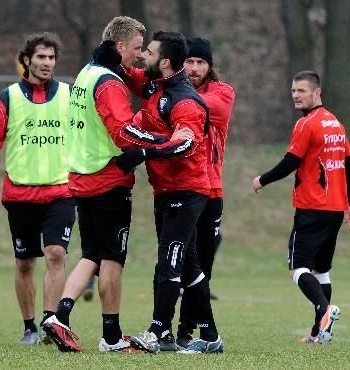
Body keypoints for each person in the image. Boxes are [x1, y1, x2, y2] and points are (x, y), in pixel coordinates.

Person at [43, 17, 194, 353]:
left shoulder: (86, 73)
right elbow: (124, 133)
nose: (139, 56)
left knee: (91, 253)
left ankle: (59, 316)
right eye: (137, 48)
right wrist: (165, 142)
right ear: (120, 46)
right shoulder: (109, 83)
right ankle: (111, 337)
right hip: (108, 179)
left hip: (82, 177)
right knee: (113, 259)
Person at [0, 33, 75, 345]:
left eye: (51, 58)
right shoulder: (8, 98)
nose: (47, 63)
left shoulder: (69, 95)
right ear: (26, 60)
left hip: (61, 192)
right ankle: (29, 328)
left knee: (55, 254)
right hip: (21, 195)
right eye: (41, 57)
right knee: (25, 262)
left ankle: (50, 322)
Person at [118, 31, 224, 354]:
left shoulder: (186, 101)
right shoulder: (155, 84)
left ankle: (157, 330)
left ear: (164, 62)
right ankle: (210, 338)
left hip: (188, 191)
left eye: (147, 53)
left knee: (170, 261)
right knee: (190, 267)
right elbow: (128, 72)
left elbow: (185, 141)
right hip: (164, 190)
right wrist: (112, 52)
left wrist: (144, 152)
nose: (142, 57)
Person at [252, 70, 350, 344]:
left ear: (317, 93)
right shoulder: (335, 123)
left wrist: (262, 180)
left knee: (297, 268)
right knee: (321, 270)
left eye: (302, 91)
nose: (296, 96)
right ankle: (318, 333)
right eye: (293, 91)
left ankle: (325, 310)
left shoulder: (307, 124)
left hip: (312, 207)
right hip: (335, 209)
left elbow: (290, 162)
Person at [174, 36, 235, 348]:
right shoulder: (175, 93)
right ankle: (183, 332)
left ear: (210, 66)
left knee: (202, 266)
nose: (195, 67)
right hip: (182, 189)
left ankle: (190, 331)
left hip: (210, 192)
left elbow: (207, 108)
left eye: (200, 62)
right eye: (190, 62)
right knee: (183, 261)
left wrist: (173, 97)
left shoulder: (221, 92)